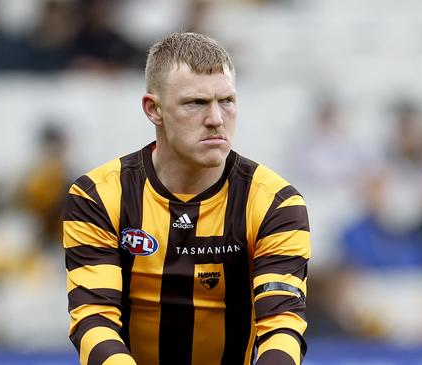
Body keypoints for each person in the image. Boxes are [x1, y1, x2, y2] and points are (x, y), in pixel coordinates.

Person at [62, 32, 310, 365]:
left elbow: (281, 327)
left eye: (227, 100)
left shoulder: (275, 203)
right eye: (196, 103)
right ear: (154, 109)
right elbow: (94, 320)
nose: (216, 119)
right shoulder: (97, 196)